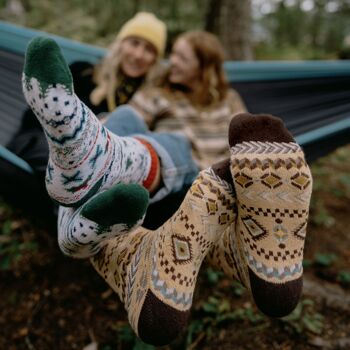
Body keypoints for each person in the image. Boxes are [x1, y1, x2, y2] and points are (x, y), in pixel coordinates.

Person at [22, 35, 312, 346]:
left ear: (204, 66)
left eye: (181, 57)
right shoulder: (158, 93)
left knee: (174, 145)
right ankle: (96, 160)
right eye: (172, 54)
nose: (171, 62)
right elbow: (121, 121)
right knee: (128, 118)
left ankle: (88, 188)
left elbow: (244, 152)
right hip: (173, 179)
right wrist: (103, 125)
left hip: (212, 184)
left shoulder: (229, 101)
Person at [2, 12, 166, 217]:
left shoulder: (146, 101)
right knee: (70, 159)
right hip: (40, 147)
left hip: (96, 171)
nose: (139, 54)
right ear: (121, 44)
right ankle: (74, 212)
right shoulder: (82, 72)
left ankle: (76, 213)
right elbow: (33, 117)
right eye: (134, 43)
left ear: (155, 60)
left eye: (149, 49)